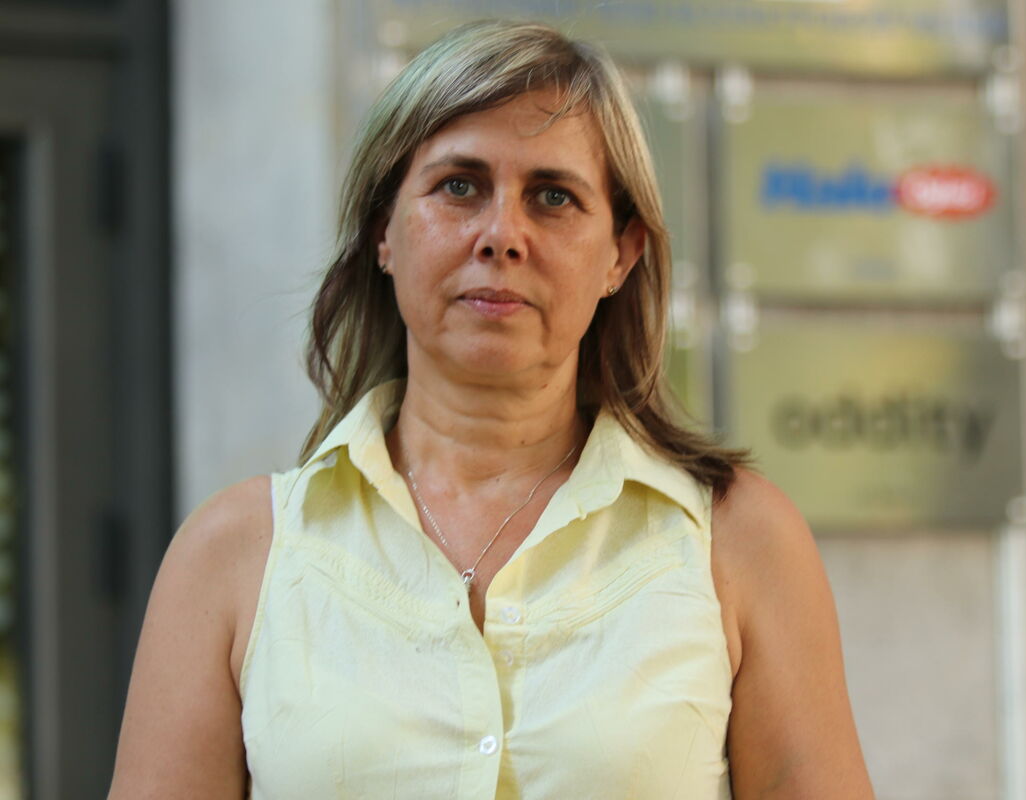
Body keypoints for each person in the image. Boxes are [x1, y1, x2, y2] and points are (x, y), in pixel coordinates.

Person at [109, 20, 874, 799]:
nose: (502, 235)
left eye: (553, 197)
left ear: (620, 253)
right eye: (459, 186)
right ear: (383, 233)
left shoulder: (737, 543)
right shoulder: (236, 556)